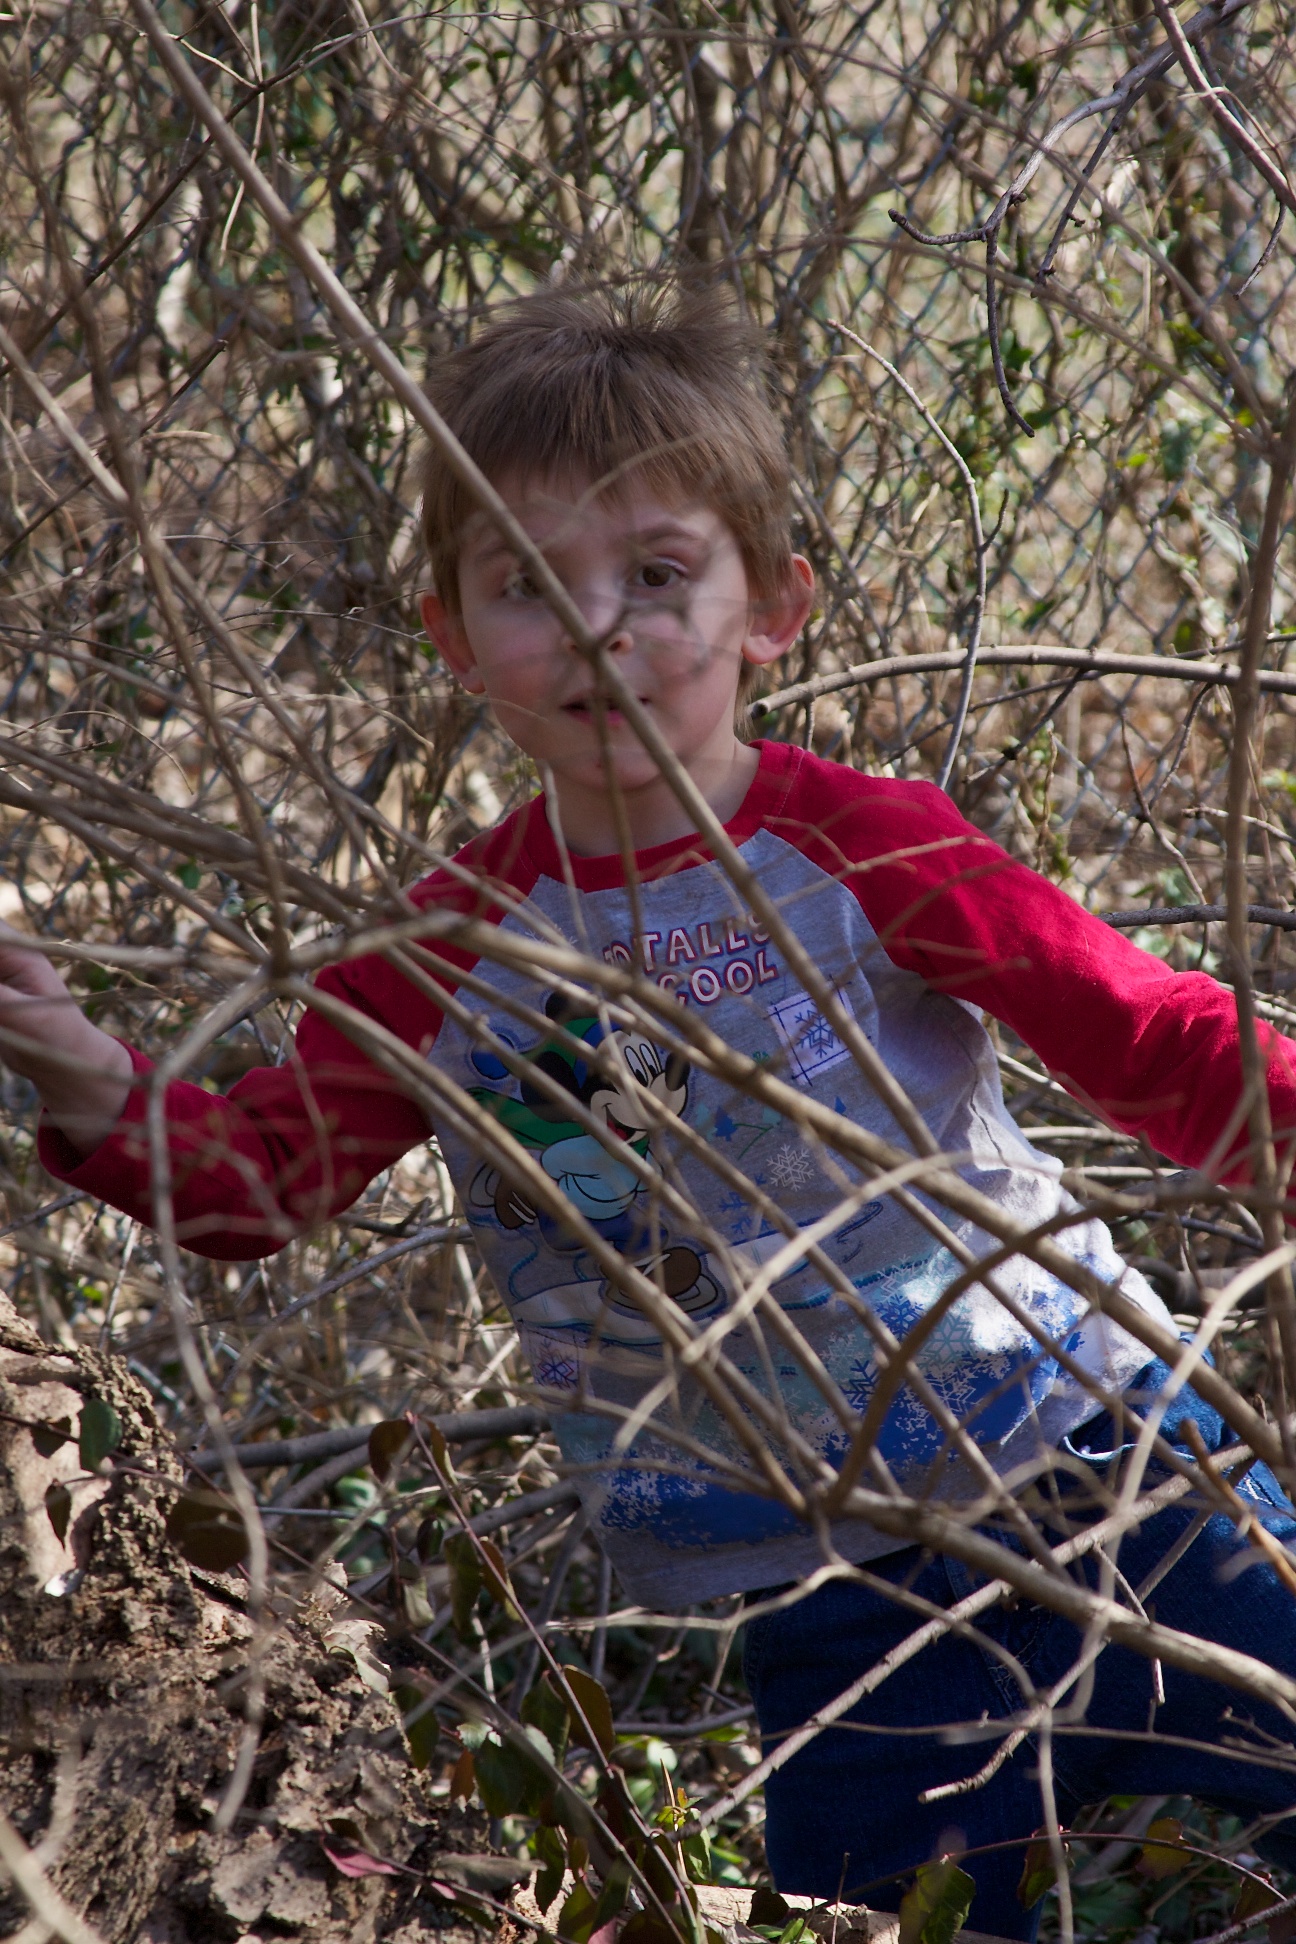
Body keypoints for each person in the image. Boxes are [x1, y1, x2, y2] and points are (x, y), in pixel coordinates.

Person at [3, 280, 1296, 1936]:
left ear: (776, 606)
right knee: (876, 1921)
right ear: (453, 639)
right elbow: (263, 1182)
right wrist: (81, 1067)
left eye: (661, 575)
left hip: (1099, 1466)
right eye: (529, 587)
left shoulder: (864, 847)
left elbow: (1150, 1038)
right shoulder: (452, 947)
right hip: (827, 1595)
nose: (599, 627)